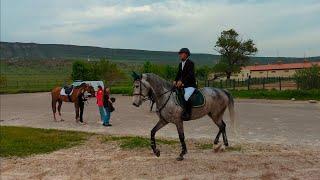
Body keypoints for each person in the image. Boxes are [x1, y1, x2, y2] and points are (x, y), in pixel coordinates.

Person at [173, 48, 196, 121]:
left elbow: (190, 75)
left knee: (186, 96)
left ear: (186, 54)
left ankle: (187, 113)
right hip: (183, 84)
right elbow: (178, 74)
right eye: (179, 54)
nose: (180, 55)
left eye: (181, 53)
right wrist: (175, 80)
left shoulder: (191, 63)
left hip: (190, 85)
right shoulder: (180, 64)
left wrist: (182, 82)